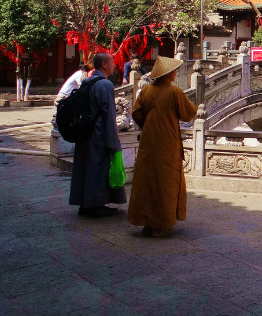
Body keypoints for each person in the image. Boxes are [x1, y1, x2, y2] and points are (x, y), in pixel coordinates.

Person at [128, 56, 197, 238]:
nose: (175, 73)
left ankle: (147, 223)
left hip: (148, 143)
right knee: (165, 182)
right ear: (168, 74)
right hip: (167, 143)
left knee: (148, 181)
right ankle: (163, 225)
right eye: (174, 71)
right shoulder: (175, 92)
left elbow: (136, 114)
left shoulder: (145, 91)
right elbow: (188, 114)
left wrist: (150, 125)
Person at [69, 52, 127, 217]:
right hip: (99, 133)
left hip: (85, 132)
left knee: (86, 168)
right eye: (112, 63)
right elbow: (108, 115)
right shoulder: (105, 85)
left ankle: (85, 203)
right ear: (104, 65)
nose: (114, 66)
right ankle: (95, 205)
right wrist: (113, 141)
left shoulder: (87, 81)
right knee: (98, 169)